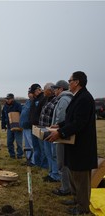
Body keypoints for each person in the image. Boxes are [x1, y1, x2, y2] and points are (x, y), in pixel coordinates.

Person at [46, 71, 98, 215]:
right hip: (73, 145)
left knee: (81, 179)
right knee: (73, 174)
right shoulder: (78, 97)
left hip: (82, 146)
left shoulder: (85, 98)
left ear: (77, 82)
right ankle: (76, 200)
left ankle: (82, 208)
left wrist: (60, 133)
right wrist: (60, 125)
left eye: (70, 80)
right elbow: (71, 118)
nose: (68, 83)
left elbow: (79, 122)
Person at [50, 80, 73, 196]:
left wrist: (57, 131)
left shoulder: (63, 100)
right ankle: (68, 186)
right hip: (63, 134)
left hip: (62, 136)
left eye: (56, 89)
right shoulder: (65, 99)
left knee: (62, 162)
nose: (54, 91)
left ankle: (65, 188)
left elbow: (61, 118)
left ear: (61, 89)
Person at [38, 82, 60, 182]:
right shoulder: (47, 100)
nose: (43, 91)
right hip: (45, 130)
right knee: (48, 153)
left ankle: (55, 175)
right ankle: (51, 173)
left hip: (52, 131)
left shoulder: (56, 100)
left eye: (44, 89)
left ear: (50, 90)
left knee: (53, 154)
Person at [29, 83, 47, 168]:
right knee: (36, 147)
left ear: (38, 90)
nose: (32, 94)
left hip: (40, 127)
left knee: (42, 147)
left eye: (33, 92)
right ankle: (37, 163)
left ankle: (44, 165)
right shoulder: (34, 100)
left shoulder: (43, 98)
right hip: (33, 126)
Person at [1, 93, 23, 159]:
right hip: (9, 126)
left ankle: (20, 155)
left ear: (12, 99)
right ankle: (12, 154)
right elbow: (3, 116)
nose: (7, 100)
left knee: (19, 142)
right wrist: (3, 125)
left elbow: (22, 114)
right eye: (6, 99)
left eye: (9, 99)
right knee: (9, 142)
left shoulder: (18, 105)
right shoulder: (4, 106)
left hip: (17, 126)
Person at [20, 90, 34, 165]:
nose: (29, 94)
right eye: (28, 93)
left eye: (30, 93)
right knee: (27, 145)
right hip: (24, 126)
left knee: (32, 144)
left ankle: (33, 160)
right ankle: (28, 159)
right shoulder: (27, 102)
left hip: (29, 127)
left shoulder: (34, 102)